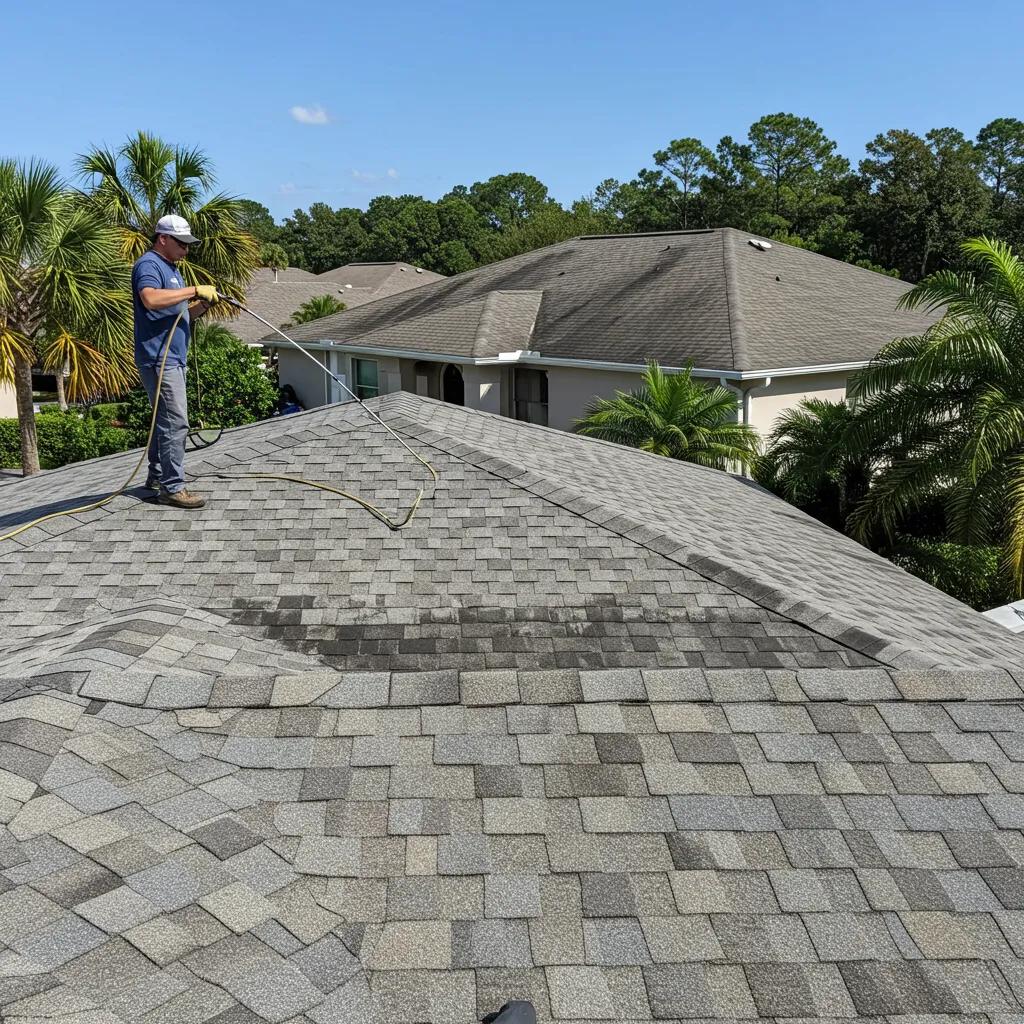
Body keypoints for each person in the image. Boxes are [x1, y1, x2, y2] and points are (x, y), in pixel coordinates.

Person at [132, 215, 218, 509]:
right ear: (163, 239)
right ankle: (172, 487)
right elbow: (151, 300)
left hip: (173, 358)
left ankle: (157, 478)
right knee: (176, 421)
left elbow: (180, 315)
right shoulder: (149, 265)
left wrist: (202, 305)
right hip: (159, 358)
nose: (186, 249)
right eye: (182, 243)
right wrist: (194, 289)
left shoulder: (172, 270)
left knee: (163, 421)